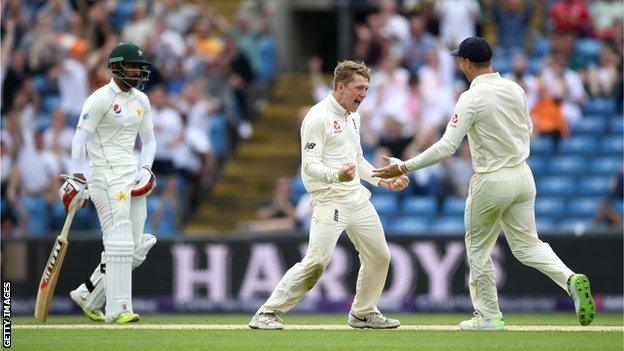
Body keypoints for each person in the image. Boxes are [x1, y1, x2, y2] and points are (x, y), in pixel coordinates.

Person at [373, 37, 596, 331]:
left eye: (459, 60)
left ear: (465, 63)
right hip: (523, 176)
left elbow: (446, 147)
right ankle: (569, 279)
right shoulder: (515, 88)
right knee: (528, 245)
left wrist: (404, 165)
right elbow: (529, 129)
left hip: (491, 179)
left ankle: (489, 316)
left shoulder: (470, 97)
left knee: (478, 249)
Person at [249, 60, 410, 330]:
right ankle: (266, 313)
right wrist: (338, 175)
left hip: (356, 198)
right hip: (329, 199)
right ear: (341, 86)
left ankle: (363, 313)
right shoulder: (317, 117)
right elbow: (309, 166)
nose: (364, 94)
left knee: (380, 255)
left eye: (367, 88)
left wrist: (384, 182)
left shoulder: (354, 116)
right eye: (359, 88)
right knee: (317, 261)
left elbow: (358, 160)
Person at [59, 42, 158, 323]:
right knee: (119, 244)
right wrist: (77, 175)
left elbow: (149, 141)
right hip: (103, 178)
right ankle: (119, 309)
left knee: (134, 249)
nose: (138, 71)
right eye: (132, 65)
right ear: (116, 67)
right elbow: (79, 138)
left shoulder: (142, 101)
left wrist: (146, 168)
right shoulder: (99, 98)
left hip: (131, 176)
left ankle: (87, 292)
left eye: (140, 66)